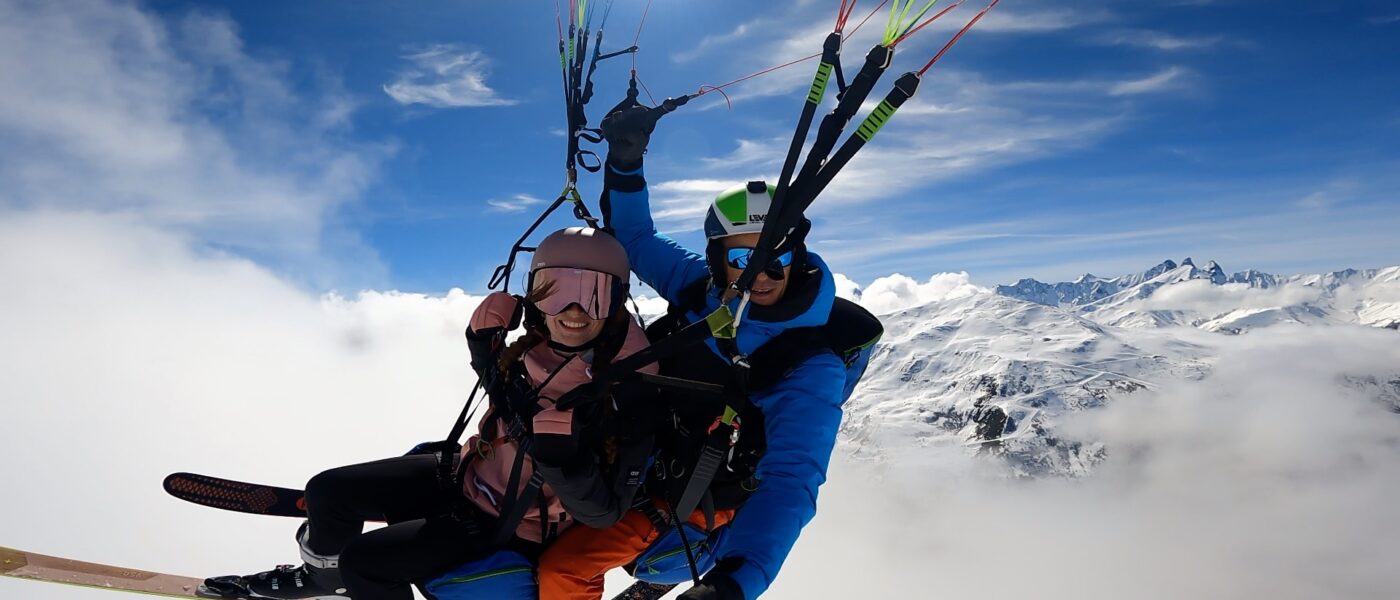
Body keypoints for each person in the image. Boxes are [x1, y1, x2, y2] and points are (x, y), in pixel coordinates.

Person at [202, 227, 660, 600]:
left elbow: (603, 513)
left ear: (618, 298)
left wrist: (563, 462)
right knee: (327, 492)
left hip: (509, 524)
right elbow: (512, 402)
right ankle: (326, 578)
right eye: (555, 291)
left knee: (366, 563)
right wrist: (483, 351)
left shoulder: (633, 384)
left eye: (595, 294)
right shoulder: (537, 341)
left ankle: (352, 579)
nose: (574, 311)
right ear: (533, 295)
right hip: (466, 475)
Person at [536, 108, 878, 600]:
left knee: (561, 571)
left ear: (796, 258)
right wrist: (626, 166)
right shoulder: (704, 291)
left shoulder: (806, 364)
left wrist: (737, 582)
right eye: (742, 259)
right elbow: (634, 240)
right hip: (637, 451)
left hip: (687, 495)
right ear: (719, 259)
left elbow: (792, 479)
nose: (759, 275)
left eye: (776, 258)